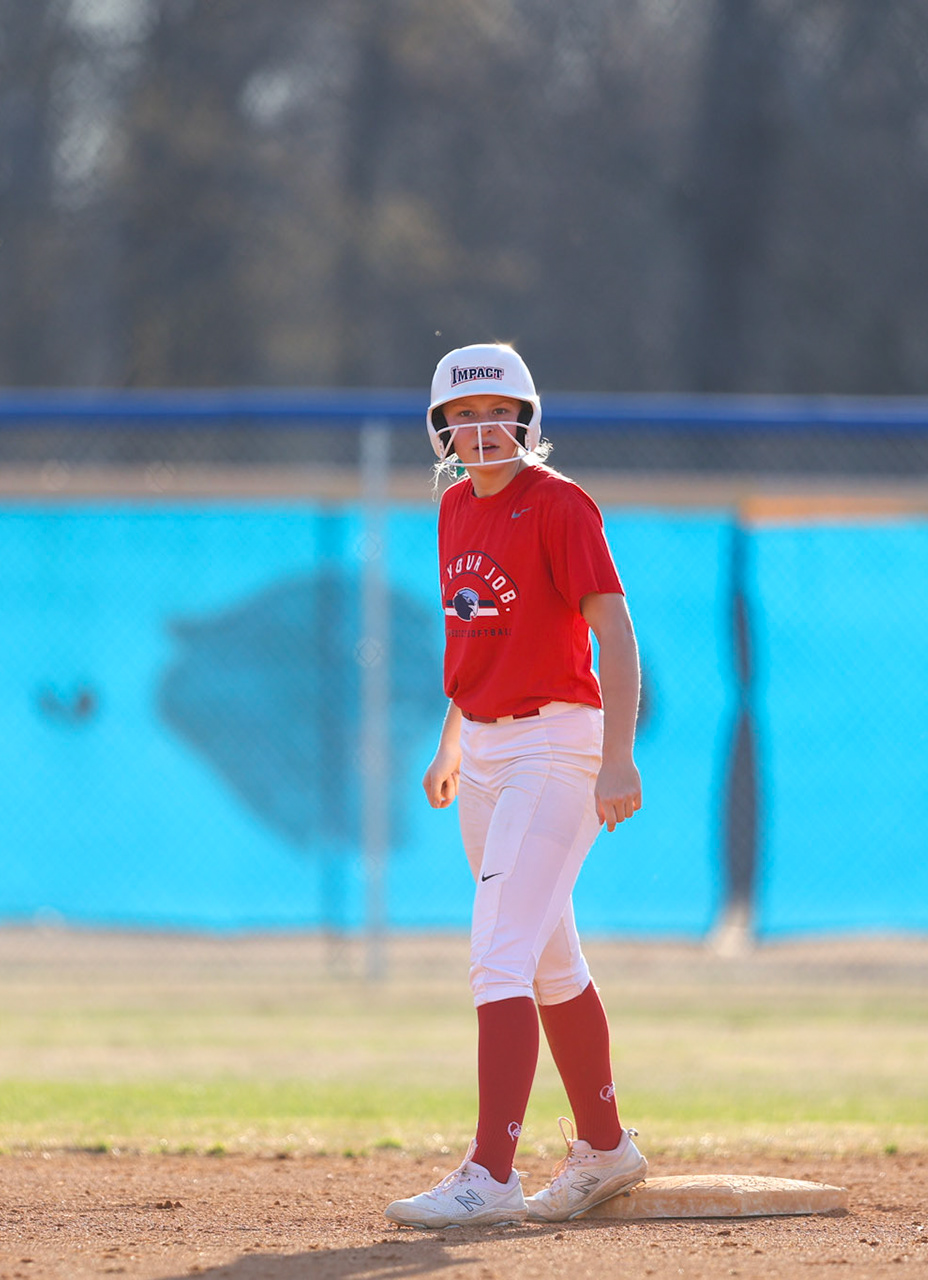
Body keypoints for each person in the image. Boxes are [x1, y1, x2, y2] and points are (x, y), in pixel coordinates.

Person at [384, 343, 648, 1229]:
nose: (480, 427)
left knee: (497, 951)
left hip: (555, 746)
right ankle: (606, 1149)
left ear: (528, 421)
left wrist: (618, 756)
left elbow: (614, 634)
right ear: (441, 431)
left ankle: (491, 1173)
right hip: (490, 750)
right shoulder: (456, 506)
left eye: (497, 410)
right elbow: (475, 638)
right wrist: (453, 738)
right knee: (545, 961)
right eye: (462, 415)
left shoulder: (560, 504)